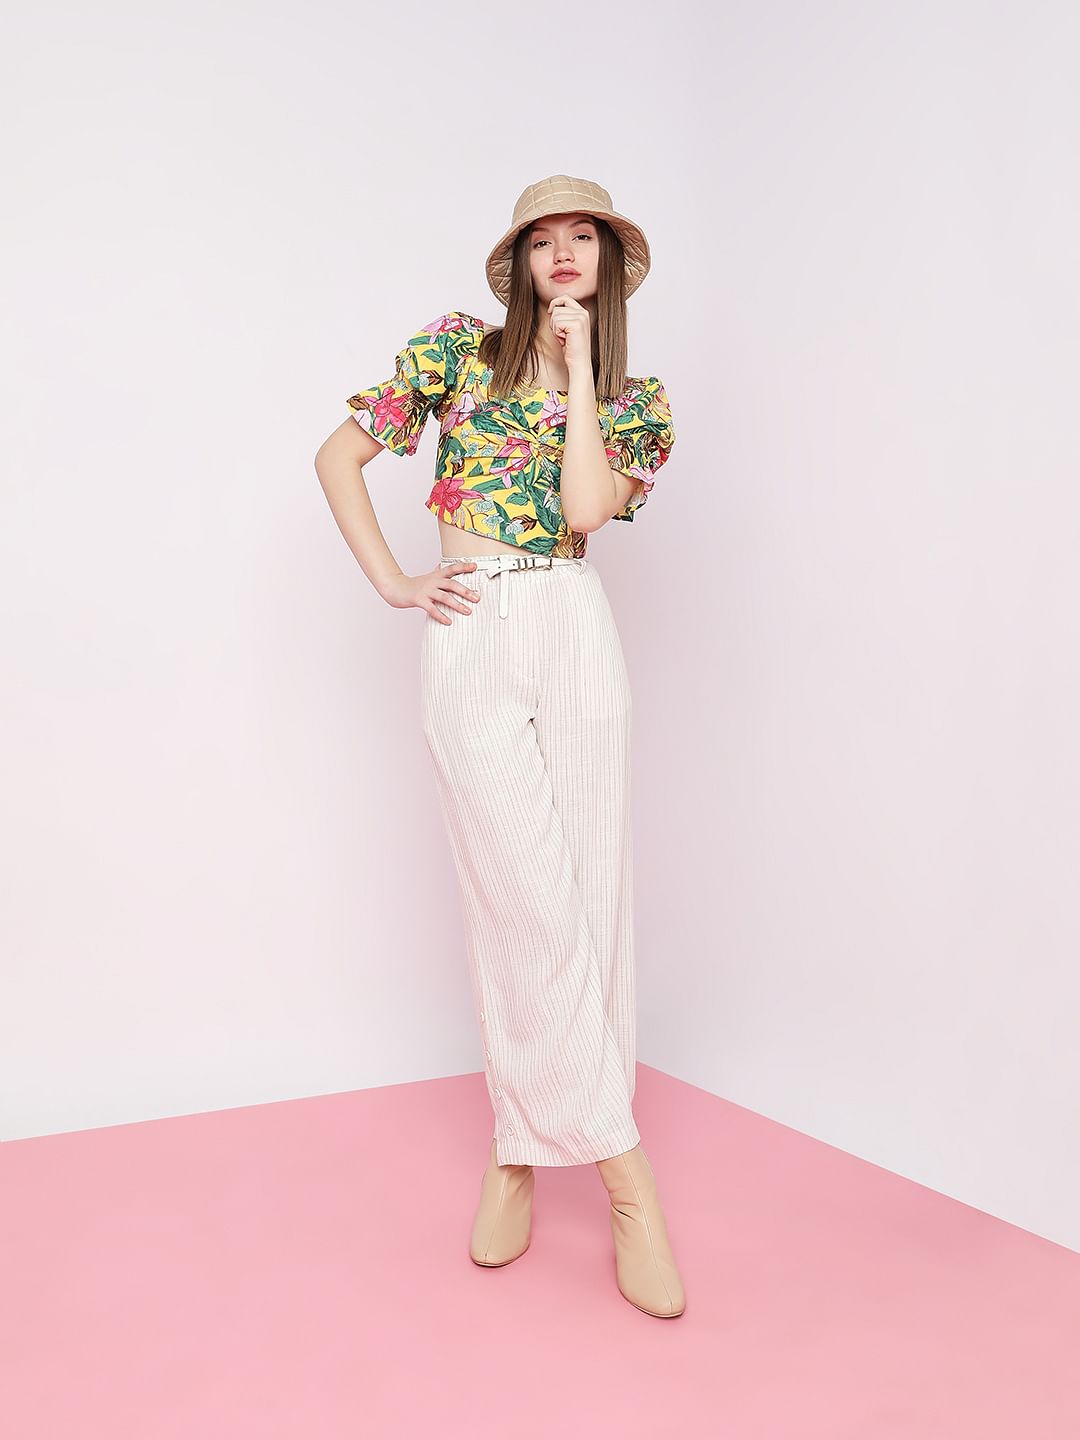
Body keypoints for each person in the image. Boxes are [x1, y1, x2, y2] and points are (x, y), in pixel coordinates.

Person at [314, 174, 686, 1318]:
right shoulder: (454, 353)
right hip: (471, 624)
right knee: (522, 901)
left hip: (573, 626)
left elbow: (580, 513)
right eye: (543, 240)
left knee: (590, 903)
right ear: (519, 262)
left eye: (584, 238)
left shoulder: (637, 402)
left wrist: (579, 374)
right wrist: (396, 582)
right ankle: (627, 1182)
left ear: (607, 266)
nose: (563, 254)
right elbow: (336, 459)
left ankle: (516, 1152)